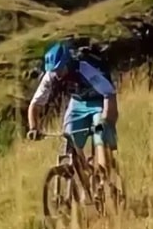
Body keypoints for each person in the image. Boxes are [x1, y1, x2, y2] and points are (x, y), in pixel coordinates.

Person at [26, 40, 118, 175]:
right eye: (54, 71)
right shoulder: (50, 74)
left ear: (67, 63)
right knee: (69, 135)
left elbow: (109, 94)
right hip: (78, 102)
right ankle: (84, 173)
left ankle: (104, 182)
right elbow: (36, 103)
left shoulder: (85, 69)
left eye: (59, 69)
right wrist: (33, 127)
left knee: (100, 134)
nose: (56, 74)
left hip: (99, 101)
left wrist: (106, 121)